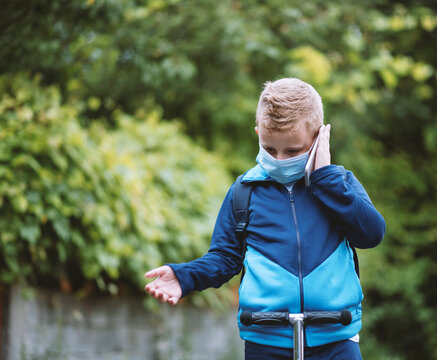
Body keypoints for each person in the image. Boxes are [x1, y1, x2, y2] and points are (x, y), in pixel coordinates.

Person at [145, 78, 386, 359]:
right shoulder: (244, 192)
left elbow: (371, 233)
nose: (280, 159)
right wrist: (185, 277)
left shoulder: (339, 185)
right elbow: (224, 258)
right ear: (258, 133)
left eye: (293, 151)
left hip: (335, 339)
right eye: (270, 149)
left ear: (319, 138)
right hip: (266, 340)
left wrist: (325, 179)